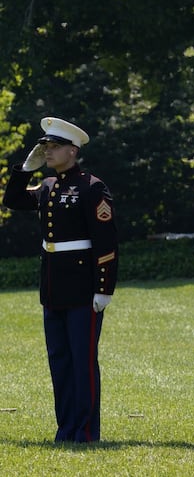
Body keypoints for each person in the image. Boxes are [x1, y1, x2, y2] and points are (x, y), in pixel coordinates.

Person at [2, 117, 118, 443]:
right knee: (60, 363)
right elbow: (12, 200)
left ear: (73, 150)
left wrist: (103, 288)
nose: (48, 152)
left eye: (54, 147)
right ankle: (65, 429)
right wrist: (26, 168)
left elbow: (106, 242)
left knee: (82, 362)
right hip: (53, 288)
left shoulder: (92, 187)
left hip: (83, 288)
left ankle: (84, 431)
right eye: (45, 147)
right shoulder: (49, 187)